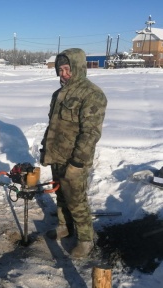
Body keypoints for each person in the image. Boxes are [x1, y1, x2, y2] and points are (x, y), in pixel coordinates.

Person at [40, 48, 107, 259]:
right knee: (60, 193)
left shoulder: (93, 94)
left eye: (67, 68)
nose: (63, 74)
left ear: (78, 68)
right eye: (60, 69)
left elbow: (91, 133)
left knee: (76, 199)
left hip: (75, 159)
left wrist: (77, 162)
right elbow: (53, 125)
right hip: (57, 154)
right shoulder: (58, 94)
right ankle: (64, 226)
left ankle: (86, 239)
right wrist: (45, 147)